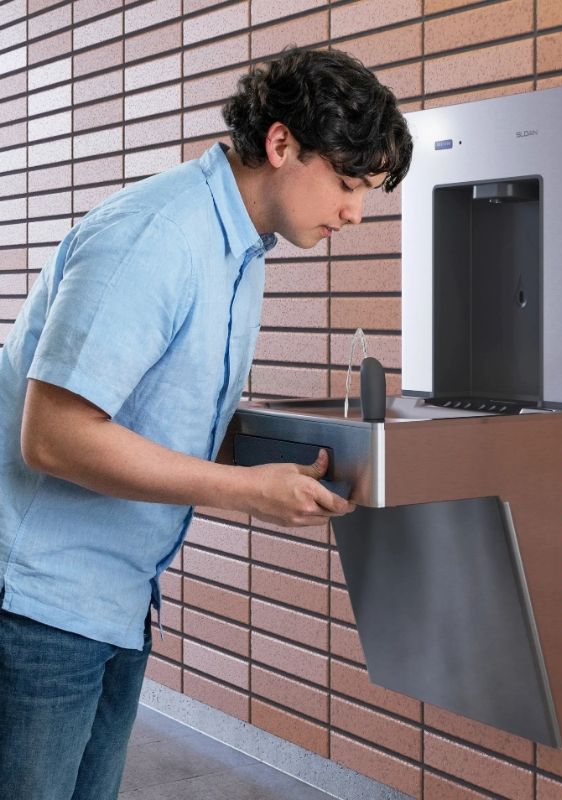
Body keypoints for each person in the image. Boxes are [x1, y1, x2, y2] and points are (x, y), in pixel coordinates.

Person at [0, 47, 412, 800]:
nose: (356, 212)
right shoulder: (159, 237)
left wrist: (312, 451)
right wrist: (247, 492)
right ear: (282, 145)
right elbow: (53, 435)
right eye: (349, 184)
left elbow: (170, 415)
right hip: (34, 607)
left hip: (115, 601)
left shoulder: (240, 252)